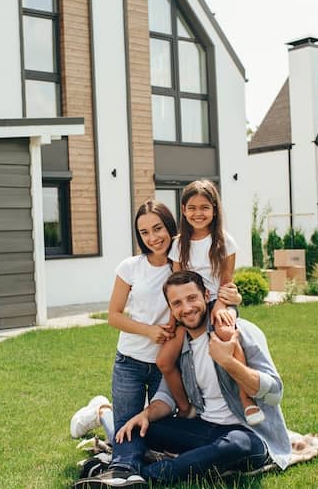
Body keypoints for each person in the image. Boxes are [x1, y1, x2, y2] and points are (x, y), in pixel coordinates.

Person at [75, 270, 291, 488]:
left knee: (237, 445)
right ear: (171, 309)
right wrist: (146, 415)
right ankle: (105, 414)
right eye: (177, 303)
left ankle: (143, 475)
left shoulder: (241, 332)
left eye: (192, 298)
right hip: (204, 430)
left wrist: (229, 362)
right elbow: (165, 398)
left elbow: (274, 394)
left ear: (207, 296)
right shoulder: (180, 348)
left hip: (248, 435)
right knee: (137, 427)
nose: (186, 308)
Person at [156, 180, 264, 425]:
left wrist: (218, 306)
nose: (198, 213)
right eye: (192, 208)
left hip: (219, 301)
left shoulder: (224, 241)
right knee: (163, 360)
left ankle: (246, 400)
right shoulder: (178, 244)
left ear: (215, 209)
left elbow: (226, 282)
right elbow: (176, 284)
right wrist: (174, 321)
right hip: (188, 306)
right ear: (183, 210)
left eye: (204, 207)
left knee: (225, 331)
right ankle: (185, 408)